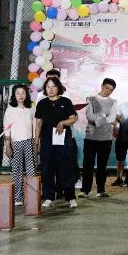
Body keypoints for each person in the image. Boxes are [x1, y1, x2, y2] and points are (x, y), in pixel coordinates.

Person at [34, 76, 78, 207]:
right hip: (47, 141)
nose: (51, 89)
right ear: (45, 89)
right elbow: (38, 124)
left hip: (63, 140)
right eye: (48, 87)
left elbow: (73, 118)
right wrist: (36, 142)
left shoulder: (66, 101)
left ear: (58, 88)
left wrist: (62, 122)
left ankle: (70, 197)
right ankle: (49, 197)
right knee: (47, 168)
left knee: (66, 167)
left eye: (53, 86)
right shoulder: (42, 103)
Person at [82, 78, 118, 198]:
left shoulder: (113, 102)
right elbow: (89, 116)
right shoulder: (90, 99)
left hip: (106, 138)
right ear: (102, 86)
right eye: (107, 87)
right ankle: (85, 190)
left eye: (111, 90)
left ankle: (101, 190)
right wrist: (103, 117)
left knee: (102, 166)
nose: (108, 91)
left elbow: (112, 118)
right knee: (88, 165)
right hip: (91, 137)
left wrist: (97, 121)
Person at [4, 84, 38, 206]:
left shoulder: (30, 109)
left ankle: (32, 197)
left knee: (31, 170)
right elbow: (6, 129)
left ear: (27, 94)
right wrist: (8, 146)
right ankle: (18, 197)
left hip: (29, 142)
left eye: (23, 93)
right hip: (15, 143)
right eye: (18, 93)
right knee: (17, 171)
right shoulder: (10, 110)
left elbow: (35, 126)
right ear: (14, 95)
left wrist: (35, 142)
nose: (20, 96)